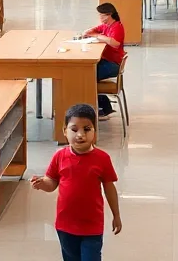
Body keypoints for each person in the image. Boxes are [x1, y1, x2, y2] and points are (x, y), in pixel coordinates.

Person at [29, 104, 121, 261]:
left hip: (92, 225)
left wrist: (116, 215)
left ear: (94, 131)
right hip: (65, 225)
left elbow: (109, 188)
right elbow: (51, 183)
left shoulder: (102, 159)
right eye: (74, 129)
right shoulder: (60, 157)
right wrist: (42, 183)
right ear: (65, 131)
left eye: (86, 129)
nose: (80, 135)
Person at [82, 3, 125, 118]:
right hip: (106, 60)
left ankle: (104, 107)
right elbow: (96, 29)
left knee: (87, 77)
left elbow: (115, 43)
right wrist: (88, 32)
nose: (100, 18)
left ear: (109, 15)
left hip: (113, 64)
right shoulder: (106, 26)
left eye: (102, 15)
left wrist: (97, 36)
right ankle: (103, 106)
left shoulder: (117, 27)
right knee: (85, 72)